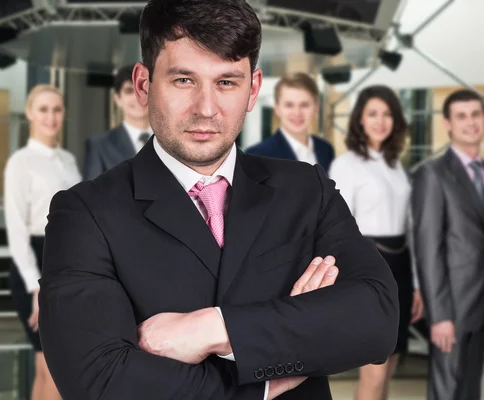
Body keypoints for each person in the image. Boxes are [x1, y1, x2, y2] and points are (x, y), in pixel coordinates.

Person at [38, 1, 400, 399]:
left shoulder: (305, 190)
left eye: (226, 82)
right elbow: (98, 378)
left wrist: (213, 328)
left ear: (253, 89)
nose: (206, 109)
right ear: (143, 85)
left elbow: (377, 319)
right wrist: (268, 373)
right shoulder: (85, 214)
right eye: (184, 80)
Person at [329, 85, 423, 400]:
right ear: (360, 119)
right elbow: (337, 229)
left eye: (386, 114)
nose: (380, 121)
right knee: (374, 370)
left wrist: (418, 284)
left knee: (390, 368)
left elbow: (408, 229)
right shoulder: (347, 164)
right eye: (372, 113)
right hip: (368, 270)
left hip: (400, 268)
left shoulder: (396, 166)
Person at [411, 89, 484, 400]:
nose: (470, 122)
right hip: (451, 304)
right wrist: (439, 316)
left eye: (476, 114)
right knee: (447, 390)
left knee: (469, 389)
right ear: (448, 123)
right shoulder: (432, 175)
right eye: (461, 116)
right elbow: (428, 249)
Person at [4, 84, 81, 400]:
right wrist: (37, 286)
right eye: (44, 109)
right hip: (37, 265)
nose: (51, 117)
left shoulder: (67, 160)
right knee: (52, 368)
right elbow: (16, 229)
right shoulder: (20, 162)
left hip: (66, 263)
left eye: (57, 110)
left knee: (48, 368)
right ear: (30, 113)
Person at [246, 72, 334, 172]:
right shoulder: (257, 157)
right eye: (289, 105)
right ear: (277, 109)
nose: (297, 113)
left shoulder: (325, 150)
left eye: (304, 105)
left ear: (316, 108)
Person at [83, 64, 151, 180]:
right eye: (129, 91)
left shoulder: (170, 141)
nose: (138, 97)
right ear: (117, 99)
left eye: (143, 89)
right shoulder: (99, 146)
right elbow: (92, 196)